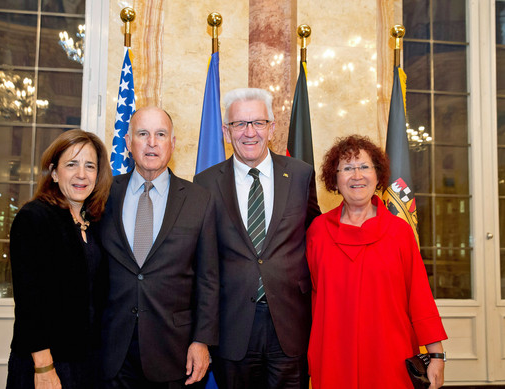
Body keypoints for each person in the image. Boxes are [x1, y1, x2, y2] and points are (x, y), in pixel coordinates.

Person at [194, 88, 321, 388]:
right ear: (226, 132)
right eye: (239, 124)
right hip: (232, 328)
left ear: (272, 128)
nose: (249, 132)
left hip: (290, 325)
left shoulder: (301, 175)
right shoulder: (206, 183)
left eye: (258, 123)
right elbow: (203, 261)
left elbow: (317, 238)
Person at [306, 134, 448, 389]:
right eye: (347, 168)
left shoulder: (399, 232)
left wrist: (436, 355)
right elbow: (311, 296)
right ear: (335, 179)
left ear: (378, 175)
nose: (357, 176)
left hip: (390, 355)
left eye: (364, 167)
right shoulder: (317, 231)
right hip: (333, 354)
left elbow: (419, 296)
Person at [100, 106, 219, 388]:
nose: (152, 142)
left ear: (172, 144)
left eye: (160, 134)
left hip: (174, 353)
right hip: (112, 350)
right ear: (128, 142)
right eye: (143, 134)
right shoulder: (103, 195)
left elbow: (209, 279)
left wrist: (202, 341)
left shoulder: (199, 199)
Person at [7, 129, 113, 389]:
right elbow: (29, 302)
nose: (81, 174)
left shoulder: (95, 223)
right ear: (54, 172)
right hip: (47, 362)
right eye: (71, 164)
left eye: (90, 166)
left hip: (88, 361)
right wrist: (44, 366)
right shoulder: (34, 218)